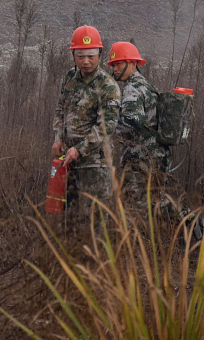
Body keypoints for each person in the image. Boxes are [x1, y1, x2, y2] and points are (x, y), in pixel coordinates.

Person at [50, 26, 121, 222]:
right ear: (73, 55)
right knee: (70, 218)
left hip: (94, 165)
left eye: (91, 55)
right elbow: (60, 110)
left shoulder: (107, 86)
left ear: (100, 54)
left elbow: (107, 126)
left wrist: (79, 149)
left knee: (95, 222)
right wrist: (58, 139)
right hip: (68, 163)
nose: (86, 61)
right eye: (81, 56)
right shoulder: (69, 78)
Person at [107, 41, 168, 207]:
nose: (115, 69)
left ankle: (189, 223)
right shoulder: (146, 85)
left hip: (140, 160)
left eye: (118, 64)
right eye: (113, 65)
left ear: (132, 63)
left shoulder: (132, 88)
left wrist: (107, 125)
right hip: (157, 156)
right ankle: (190, 224)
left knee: (136, 208)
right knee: (155, 204)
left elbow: (133, 121)